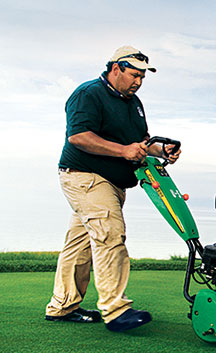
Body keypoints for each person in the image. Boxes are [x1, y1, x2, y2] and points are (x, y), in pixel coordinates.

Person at [45, 45, 181, 332]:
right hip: (85, 176)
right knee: (110, 233)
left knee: (79, 244)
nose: (138, 82)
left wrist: (161, 149)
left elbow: (141, 142)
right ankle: (116, 310)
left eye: (143, 77)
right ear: (115, 68)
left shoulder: (134, 103)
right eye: (134, 75)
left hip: (114, 183)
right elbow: (79, 137)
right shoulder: (89, 94)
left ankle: (62, 306)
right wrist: (122, 151)